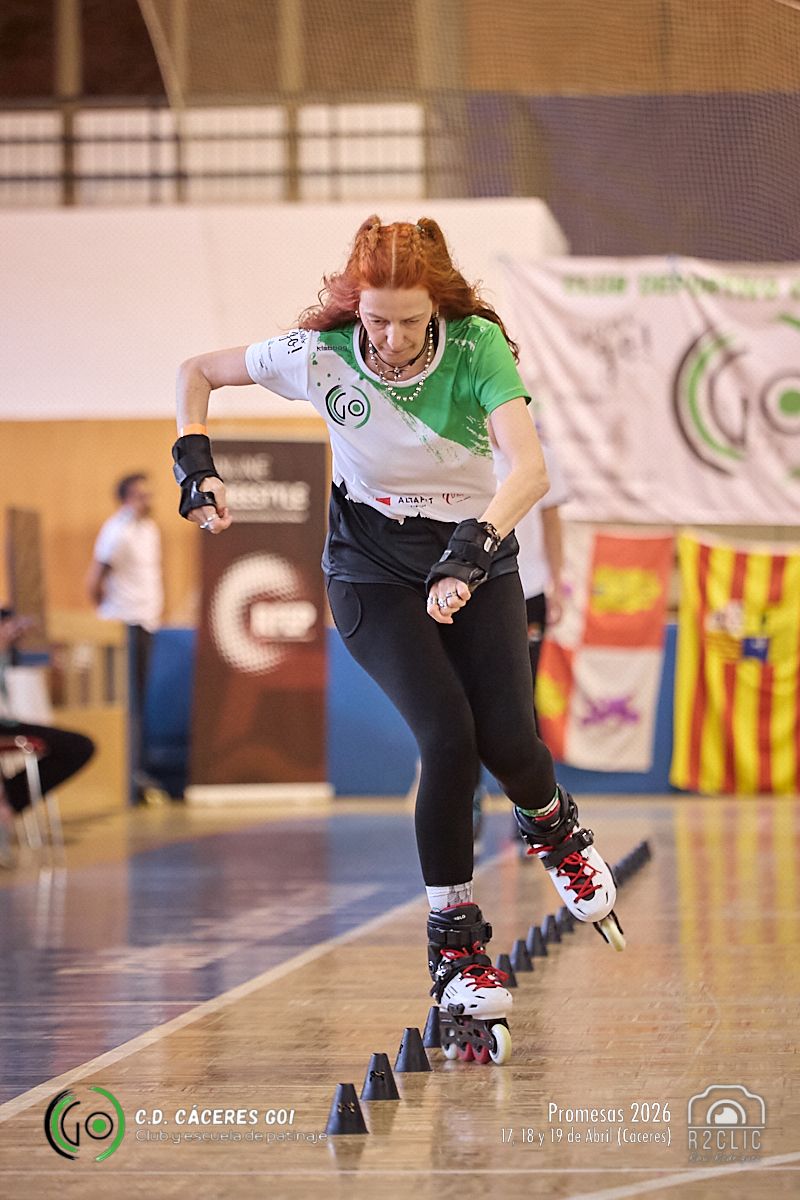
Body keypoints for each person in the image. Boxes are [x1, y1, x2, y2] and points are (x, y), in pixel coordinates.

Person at [171, 215, 623, 1065]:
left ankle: (558, 832)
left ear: (436, 307)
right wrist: (197, 461)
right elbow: (197, 370)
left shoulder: (477, 347)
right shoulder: (320, 353)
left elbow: (528, 470)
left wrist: (472, 553)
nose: (391, 337)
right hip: (368, 571)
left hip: (475, 551)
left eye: (410, 319)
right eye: (376, 318)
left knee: (514, 746)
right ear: (355, 306)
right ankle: (454, 947)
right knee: (447, 738)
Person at [472, 424, 569, 847]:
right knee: (467, 700)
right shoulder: (463, 448)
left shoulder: (537, 454)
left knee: (520, 697)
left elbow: (551, 520)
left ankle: (532, 805)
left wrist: (557, 580)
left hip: (528, 590)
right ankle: (469, 797)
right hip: (473, 588)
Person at [87, 473, 165, 804]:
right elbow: (94, 580)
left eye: (148, 495)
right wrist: (107, 614)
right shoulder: (116, 532)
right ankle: (127, 779)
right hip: (125, 625)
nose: (145, 501)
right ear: (124, 498)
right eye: (138, 495)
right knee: (129, 705)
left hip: (146, 623)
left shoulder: (149, 529)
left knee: (140, 705)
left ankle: (135, 774)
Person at [0, 610, 94, 860]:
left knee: (79, 746)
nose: (10, 633)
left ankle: (9, 798)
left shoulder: (10, 655)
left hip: (9, 723)